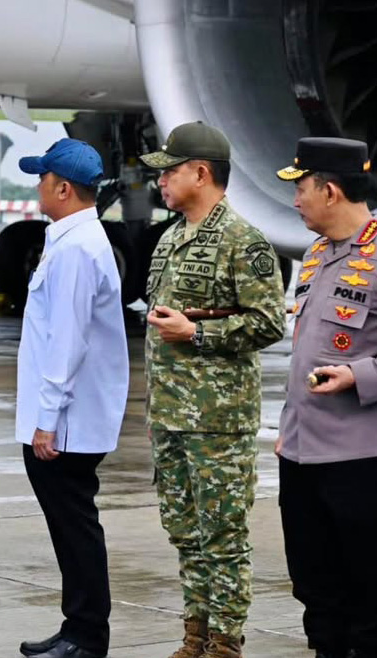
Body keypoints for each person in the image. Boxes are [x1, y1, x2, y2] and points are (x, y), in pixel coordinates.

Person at [140, 121, 286, 658]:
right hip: (171, 415)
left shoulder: (243, 242)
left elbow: (269, 322)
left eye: (171, 171)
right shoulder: (170, 237)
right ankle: (194, 635)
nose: (161, 181)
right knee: (184, 532)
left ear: (201, 174)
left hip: (216, 420)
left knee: (222, 538)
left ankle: (225, 643)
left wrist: (197, 332)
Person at [13, 139, 129, 658]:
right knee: (69, 527)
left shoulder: (79, 248)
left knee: (75, 527)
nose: (37, 185)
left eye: (42, 178)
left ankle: (86, 637)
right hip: (67, 416)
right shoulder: (71, 239)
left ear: (62, 187)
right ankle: (76, 628)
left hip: (68, 422)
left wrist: (47, 420)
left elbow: (68, 340)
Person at [275, 137, 377, 658]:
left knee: (367, 595)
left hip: (359, 461)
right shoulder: (318, 253)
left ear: (331, 191)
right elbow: (305, 351)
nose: (296, 201)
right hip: (301, 455)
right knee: (315, 587)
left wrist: (359, 375)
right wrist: (287, 428)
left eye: (302, 189)